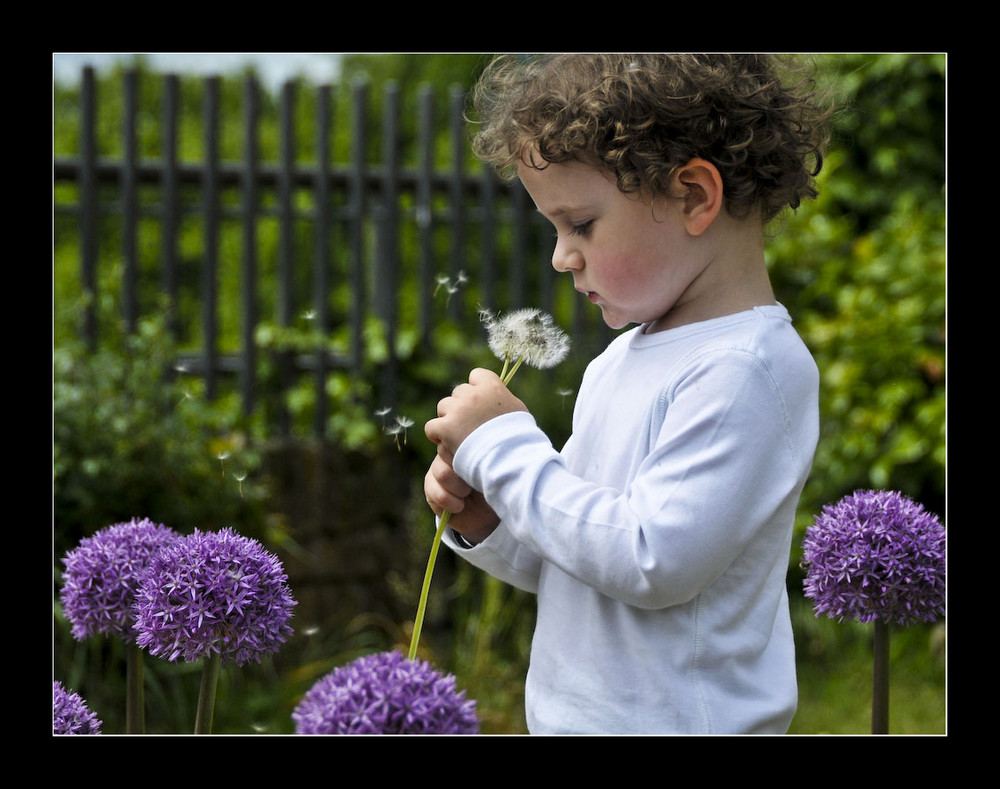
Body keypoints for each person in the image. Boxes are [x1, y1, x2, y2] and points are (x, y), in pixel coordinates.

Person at [423, 53, 831, 735]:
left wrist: (506, 450)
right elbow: (586, 559)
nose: (561, 255)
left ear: (695, 197)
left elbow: (650, 558)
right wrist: (489, 517)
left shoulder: (747, 368)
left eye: (579, 223)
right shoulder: (620, 361)